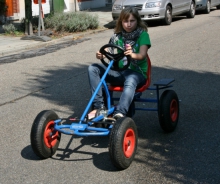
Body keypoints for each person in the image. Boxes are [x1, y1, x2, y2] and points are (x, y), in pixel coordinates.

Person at [87, 7, 151, 119]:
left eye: (132, 21)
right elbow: (108, 49)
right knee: (93, 68)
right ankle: (98, 106)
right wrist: (101, 54)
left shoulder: (143, 35)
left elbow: (142, 55)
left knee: (130, 80)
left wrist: (132, 54)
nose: (129, 24)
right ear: (121, 22)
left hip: (138, 74)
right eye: (126, 21)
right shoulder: (117, 36)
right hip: (121, 73)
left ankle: (120, 112)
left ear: (137, 21)